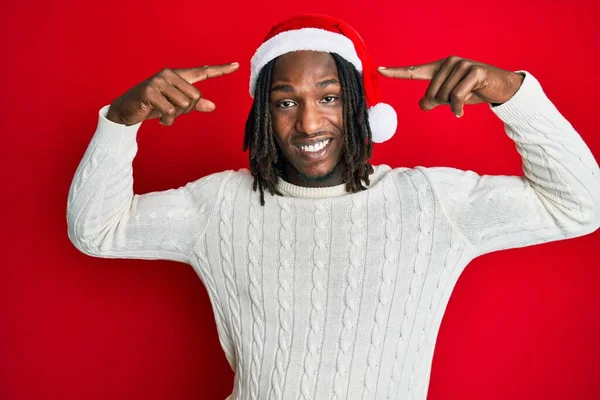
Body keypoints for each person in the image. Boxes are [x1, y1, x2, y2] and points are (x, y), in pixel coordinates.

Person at [66, 13, 600, 400]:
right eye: (284, 101)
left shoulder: (431, 202)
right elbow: (96, 231)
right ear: (262, 117)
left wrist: (515, 94)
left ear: (363, 107)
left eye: (329, 96)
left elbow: (580, 206)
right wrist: (120, 120)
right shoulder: (219, 205)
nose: (309, 123)